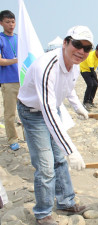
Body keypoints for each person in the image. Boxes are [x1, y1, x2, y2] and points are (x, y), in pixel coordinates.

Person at [17, 26, 92, 225]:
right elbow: (47, 111)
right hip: (33, 112)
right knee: (45, 166)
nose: (81, 51)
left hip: (53, 108)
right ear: (65, 43)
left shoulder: (75, 64)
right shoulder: (47, 65)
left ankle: (66, 202)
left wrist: (78, 107)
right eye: (77, 44)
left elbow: (69, 89)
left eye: (86, 48)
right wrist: (72, 150)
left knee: (59, 159)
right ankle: (42, 214)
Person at [0, 10, 20, 151]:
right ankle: (13, 139)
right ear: (1, 23)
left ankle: (28, 136)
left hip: (24, 80)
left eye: (13, 21)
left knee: (28, 111)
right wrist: (16, 60)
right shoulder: (0, 38)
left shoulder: (20, 38)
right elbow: (0, 61)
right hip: (8, 81)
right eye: (7, 22)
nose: (11, 25)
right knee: (10, 113)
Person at [80, 43, 98, 111]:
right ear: (96, 51)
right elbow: (92, 72)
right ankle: (85, 102)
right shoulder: (90, 56)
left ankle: (90, 101)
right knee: (90, 84)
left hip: (92, 70)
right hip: (84, 70)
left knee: (95, 85)